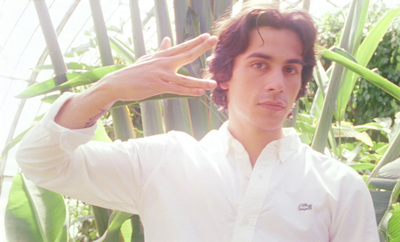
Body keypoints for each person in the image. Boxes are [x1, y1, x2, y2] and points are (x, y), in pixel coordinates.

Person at [17, 3, 379, 242]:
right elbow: (40, 162)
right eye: (259, 64)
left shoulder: (338, 187)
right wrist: (107, 90)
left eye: (290, 69)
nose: (276, 83)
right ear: (224, 75)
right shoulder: (164, 162)